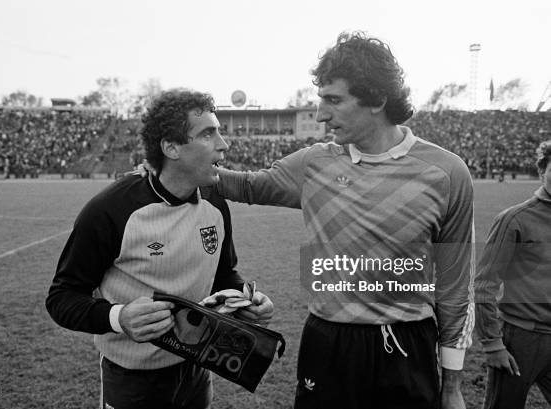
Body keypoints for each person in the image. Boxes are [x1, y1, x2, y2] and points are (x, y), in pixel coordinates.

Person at [216, 31, 474, 409]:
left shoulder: (447, 172)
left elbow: (455, 288)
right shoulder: (315, 162)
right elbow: (248, 187)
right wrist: (166, 170)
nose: (321, 114)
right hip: (328, 341)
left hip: (408, 344)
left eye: (333, 100)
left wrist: (451, 386)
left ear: (377, 100)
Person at [46, 89, 274, 409]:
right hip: (131, 379)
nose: (223, 144)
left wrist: (246, 298)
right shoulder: (111, 210)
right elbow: (62, 297)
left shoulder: (215, 203)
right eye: (208, 134)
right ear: (171, 147)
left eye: (219, 132)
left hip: (198, 366)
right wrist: (119, 317)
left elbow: (224, 273)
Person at [475, 140, 551, 409]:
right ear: (542, 171)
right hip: (522, 338)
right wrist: (492, 343)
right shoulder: (515, 219)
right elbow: (484, 284)